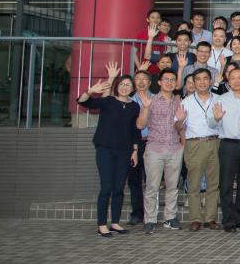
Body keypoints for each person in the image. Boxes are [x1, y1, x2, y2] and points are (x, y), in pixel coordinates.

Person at [78, 63, 140, 237]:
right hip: (105, 149)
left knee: (119, 188)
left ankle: (115, 223)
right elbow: (83, 102)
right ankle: (101, 224)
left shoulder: (135, 106)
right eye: (122, 84)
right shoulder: (108, 101)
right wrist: (91, 90)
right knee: (106, 187)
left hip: (125, 151)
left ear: (133, 88)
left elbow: (135, 130)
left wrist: (135, 150)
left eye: (128, 85)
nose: (125, 87)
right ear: (116, 87)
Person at [137, 68, 184, 234]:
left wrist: (181, 120)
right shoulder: (151, 100)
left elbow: (179, 127)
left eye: (173, 80)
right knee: (152, 186)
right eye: (166, 79)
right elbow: (140, 125)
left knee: (172, 186)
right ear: (159, 82)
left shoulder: (179, 102)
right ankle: (149, 219)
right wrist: (145, 108)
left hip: (174, 148)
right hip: (155, 148)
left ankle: (170, 218)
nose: (170, 82)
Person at [177, 68, 222, 231]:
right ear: (193, 82)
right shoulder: (186, 102)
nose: (202, 82)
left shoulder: (218, 99)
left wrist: (217, 119)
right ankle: (195, 218)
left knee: (213, 183)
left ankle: (210, 218)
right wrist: (180, 121)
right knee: (194, 183)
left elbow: (223, 123)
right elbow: (177, 126)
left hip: (215, 142)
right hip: (194, 144)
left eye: (205, 79)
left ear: (210, 82)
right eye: (198, 79)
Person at [212, 67, 240, 233]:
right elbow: (211, 124)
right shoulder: (221, 99)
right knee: (226, 184)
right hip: (228, 145)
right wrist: (216, 118)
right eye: (233, 78)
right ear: (228, 81)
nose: (236, 81)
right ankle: (228, 220)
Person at [127, 69, 154, 225]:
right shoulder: (128, 101)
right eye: (138, 79)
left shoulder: (157, 99)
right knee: (135, 179)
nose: (141, 81)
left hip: (152, 143)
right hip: (133, 144)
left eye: (144, 79)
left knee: (152, 180)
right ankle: (137, 213)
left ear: (150, 83)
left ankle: (151, 214)